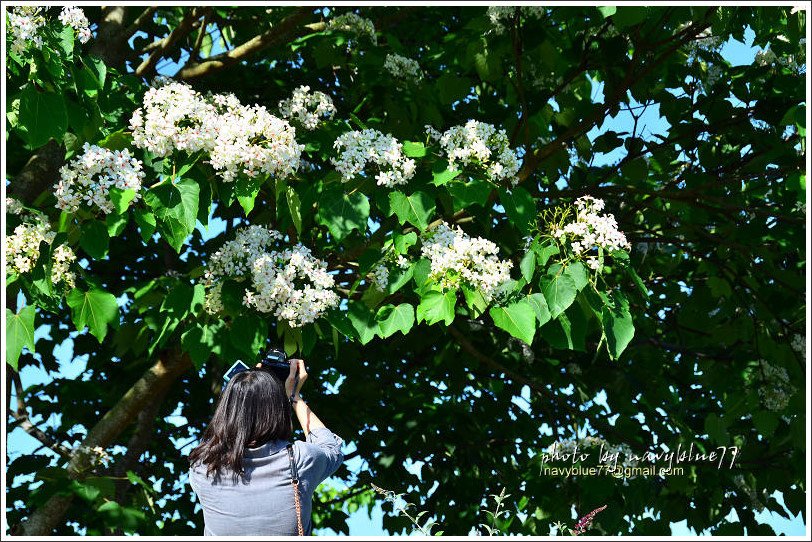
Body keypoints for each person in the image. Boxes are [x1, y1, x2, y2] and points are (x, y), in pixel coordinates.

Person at [188, 358, 344, 536]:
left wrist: (242, 386)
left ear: (226, 409)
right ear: (276, 410)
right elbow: (331, 448)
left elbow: (217, 438)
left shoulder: (202, 468)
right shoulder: (301, 460)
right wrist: (294, 396)